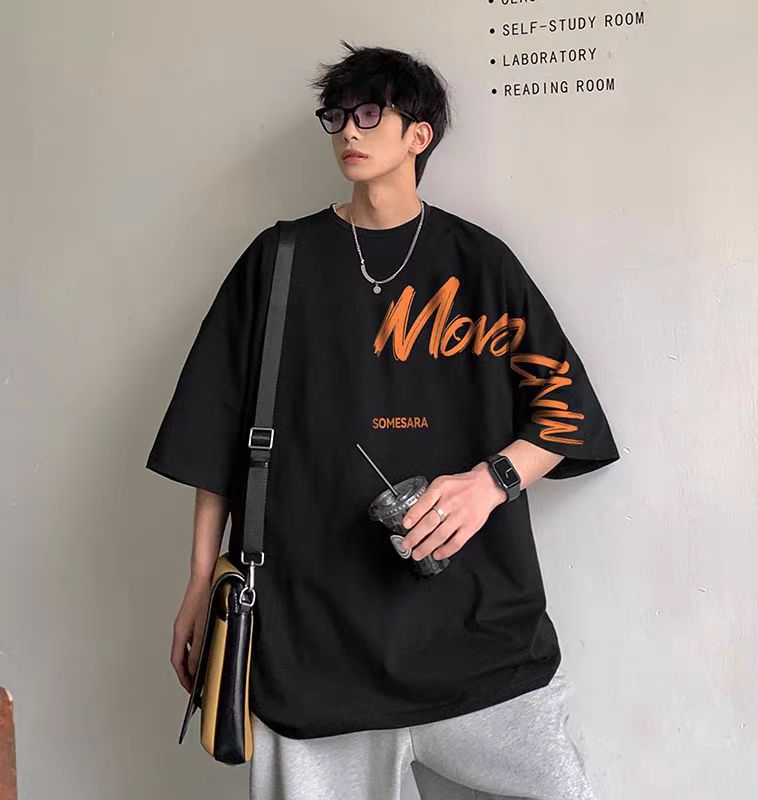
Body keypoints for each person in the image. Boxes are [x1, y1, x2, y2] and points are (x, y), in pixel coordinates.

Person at [146, 41, 620, 800]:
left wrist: (489, 483)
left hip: (479, 637)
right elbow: (216, 433)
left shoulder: (480, 264)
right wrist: (202, 580)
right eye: (337, 115)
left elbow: (568, 414)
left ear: (418, 134)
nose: (348, 131)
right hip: (311, 644)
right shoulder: (279, 260)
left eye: (370, 113)